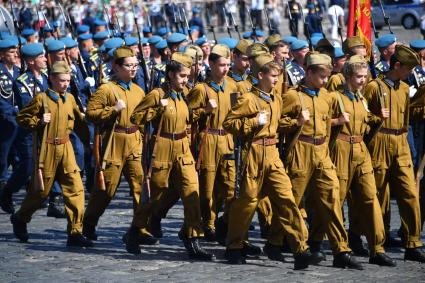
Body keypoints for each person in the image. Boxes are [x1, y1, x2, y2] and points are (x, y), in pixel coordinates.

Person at [222, 52, 317, 269]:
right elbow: (229, 124)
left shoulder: (276, 99)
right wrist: (253, 122)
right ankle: (234, 246)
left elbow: (277, 126)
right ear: (261, 75)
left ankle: (300, 248)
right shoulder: (249, 98)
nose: (276, 80)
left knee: (286, 199)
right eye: (273, 76)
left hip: (272, 153)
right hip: (253, 153)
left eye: (278, 76)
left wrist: (295, 122)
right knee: (247, 203)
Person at [124, 52, 214, 261]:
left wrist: (205, 111)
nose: (185, 80)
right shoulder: (157, 94)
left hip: (182, 146)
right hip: (162, 146)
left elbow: (188, 116)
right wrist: (157, 109)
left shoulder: (184, 94)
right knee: (155, 195)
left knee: (193, 191)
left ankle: (193, 240)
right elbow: (135, 117)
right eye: (182, 76)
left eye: (187, 76)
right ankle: (135, 231)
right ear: (171, 74)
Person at [280, 52, 363, 270]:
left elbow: (332, 124)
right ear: (308, 72)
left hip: (322, 151)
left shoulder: (328, 96)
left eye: (328, 77)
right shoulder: (292, 96)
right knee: (293, 200)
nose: (325, 81)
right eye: (321, 77)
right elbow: (278, 124)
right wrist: (296, 122)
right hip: (300, 150)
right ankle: (277, 241)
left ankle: (341, 250)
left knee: (332, 197)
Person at [10, 61, 92, 247]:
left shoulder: (70, 98)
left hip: (66, 148)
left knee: (76, 190)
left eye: (68, 80)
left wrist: (88, 143)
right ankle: (21, 218)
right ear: (52, 79)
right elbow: (22, 118)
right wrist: (38, 120)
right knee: (40, 192)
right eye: (61, 80)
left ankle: (75, 232)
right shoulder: (42, 99)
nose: (65, 84)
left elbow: (79, 123)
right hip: (47, 149)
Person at [329, 55, 396, 266]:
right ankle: (339, 249)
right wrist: (336, 121)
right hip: (340, 149)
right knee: (335, 201)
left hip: (360, 150)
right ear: (348, 76)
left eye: (365, 76)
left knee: (370, 198)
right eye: (359, 77)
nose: (363, 80)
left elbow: (365, 122)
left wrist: (377, 118)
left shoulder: (361, 98)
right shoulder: (334, 98)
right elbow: (319, 124)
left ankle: (377, 248)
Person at [364, 45, 425, 262]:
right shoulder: (373, 87)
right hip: (380, 143)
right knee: (379, 195)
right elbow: (361, 115)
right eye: (408, 69)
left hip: (401, 142)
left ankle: (412, 243)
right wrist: (375, 117)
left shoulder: (403, 89)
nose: (410, 74)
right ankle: (377, 246)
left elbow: (410, 115)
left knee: (409, 194)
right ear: (396, 65)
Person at [82, 47, 147, 243]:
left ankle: (139, 228)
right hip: (114, 142)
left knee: (140, 186)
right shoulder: (106, 89)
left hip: (134, 141)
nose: (133, 69)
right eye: (129, 65)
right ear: (116, 67)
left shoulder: (138, 90)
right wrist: (112, 109)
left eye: (135, 65)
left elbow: (142, 118)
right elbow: (91, 114)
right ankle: (89, 222)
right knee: (106, 190)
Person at [0, 43, 47, 214]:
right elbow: (27, 107)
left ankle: (51, 196)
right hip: (27, 131)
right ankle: (7, 191)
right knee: (26, 166)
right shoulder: (22, 82)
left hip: (46, 130)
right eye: (41, 57)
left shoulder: (45, 78)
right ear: (32, 61)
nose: (45, 59)